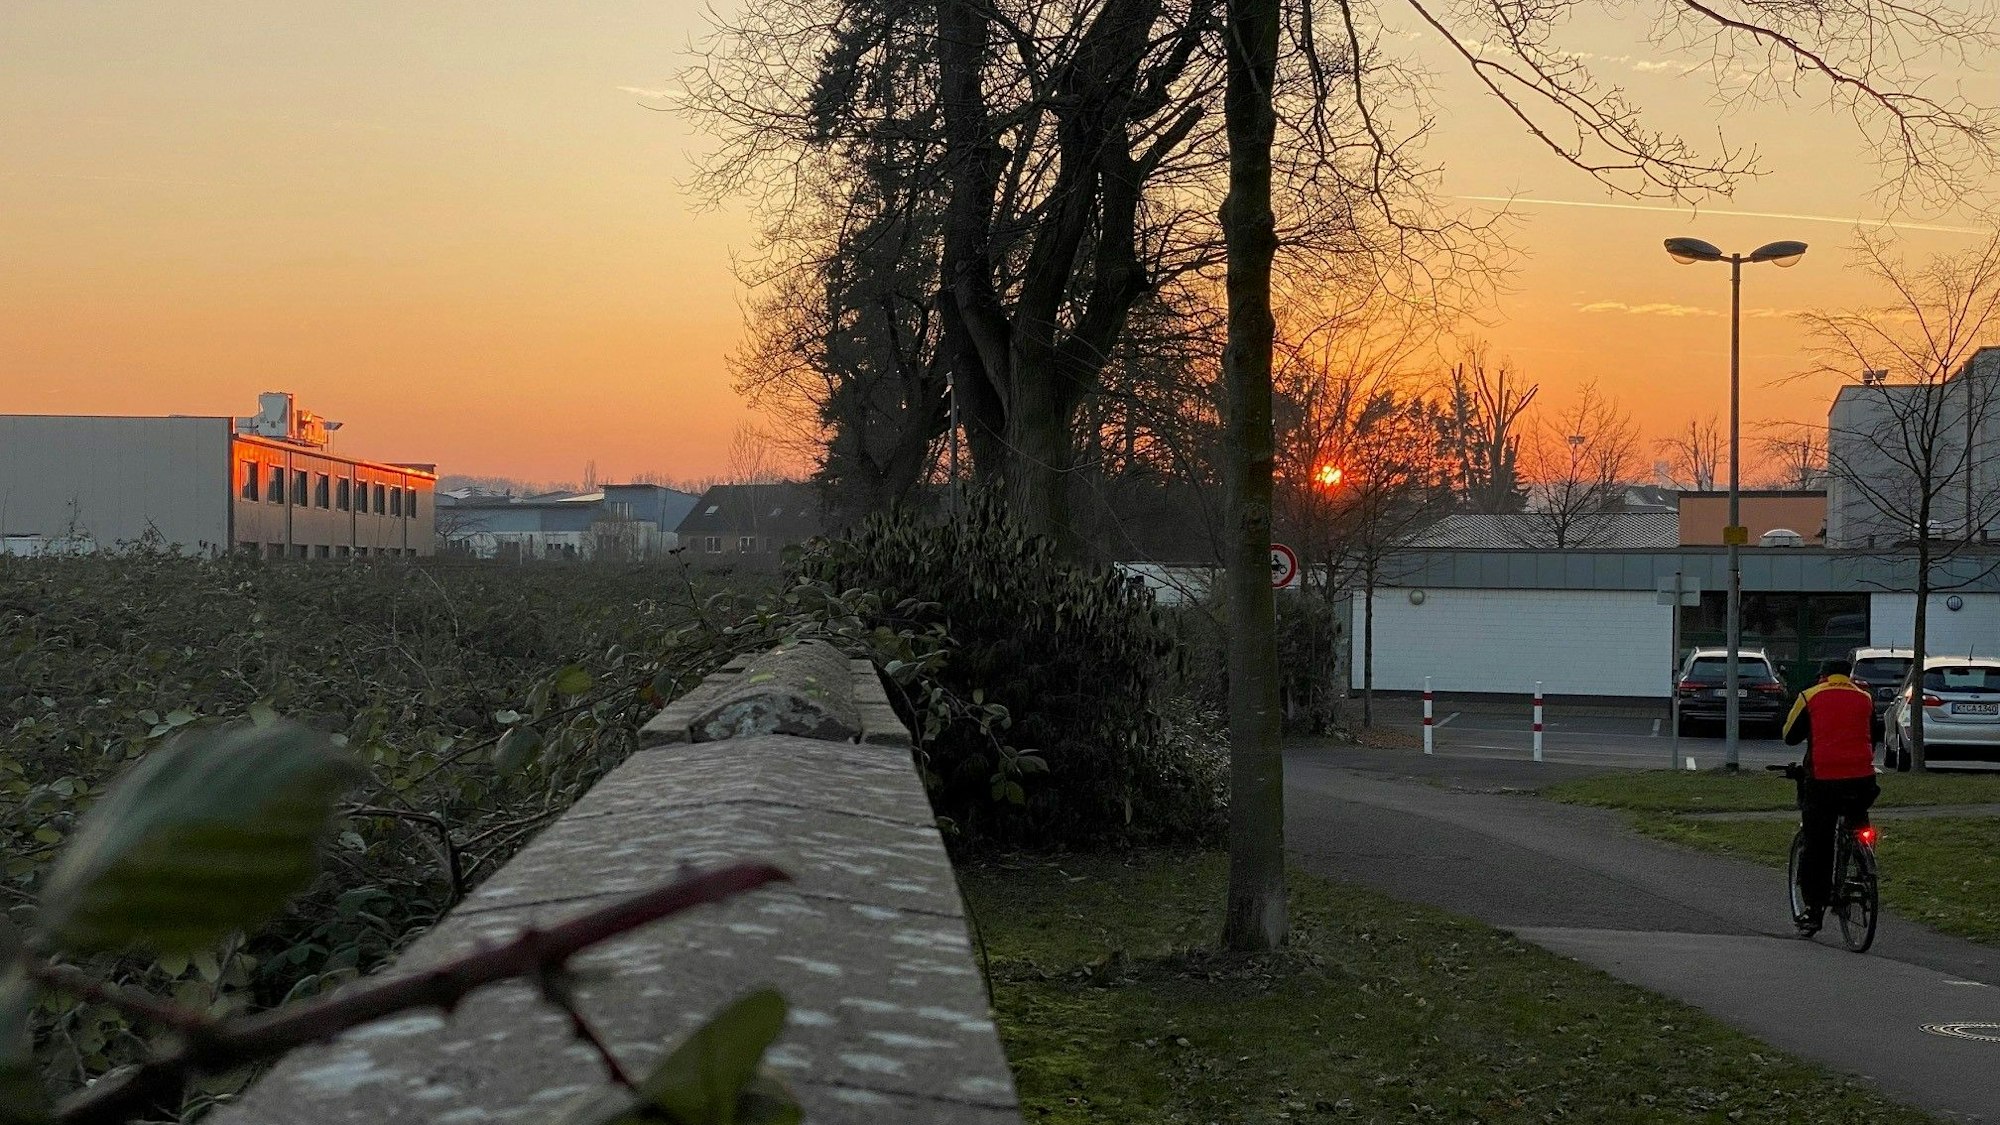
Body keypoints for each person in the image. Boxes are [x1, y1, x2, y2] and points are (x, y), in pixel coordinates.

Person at [1781, 658, 1883, 936]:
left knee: (1818, 842)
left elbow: (1789, 735)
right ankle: (1863, 865)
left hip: (1823, 782)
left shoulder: (1810, 696)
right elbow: (1874, 735)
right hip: (1862, 781)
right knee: (1857, 822)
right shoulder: (1865, 698)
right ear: (1849, 675)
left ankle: (1814, 910)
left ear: (1823, 675)